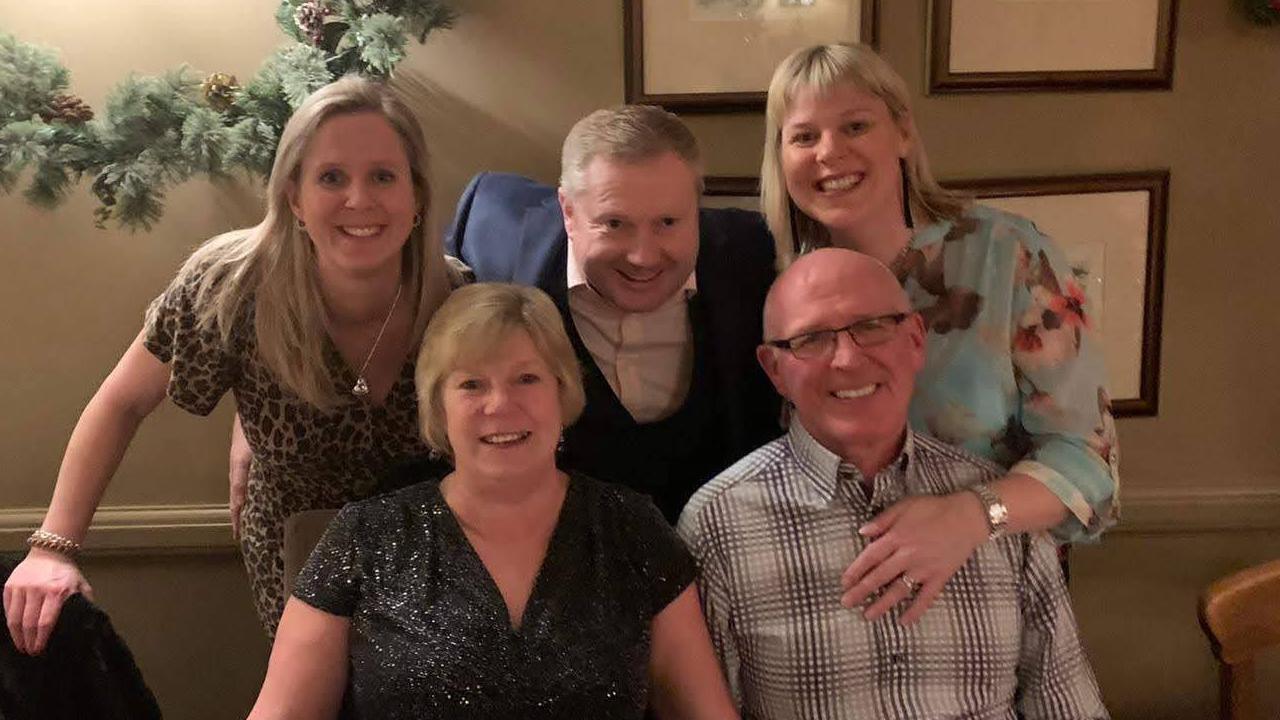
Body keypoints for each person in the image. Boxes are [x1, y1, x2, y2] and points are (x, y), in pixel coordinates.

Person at [3, 75, 455, 648]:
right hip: (296, 559)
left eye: (383, 176)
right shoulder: (232, 288)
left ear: (416, 195)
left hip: (427, 562)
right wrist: (52, 548)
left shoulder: (457, 300)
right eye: (331, 177)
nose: (358, 199)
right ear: (294, 195)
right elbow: (122, 401)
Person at [247, 283, 737, 720]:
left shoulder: (632, 530)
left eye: (527, 379)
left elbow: (703, 710)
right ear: (438, 406)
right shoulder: (365, 537)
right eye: (472, 385)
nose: (500, 405)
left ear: (561, 392)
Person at [759, 43, 1120, 622]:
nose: (830, 153)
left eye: (855, 125)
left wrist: (969, 516)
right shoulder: (773, 281)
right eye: (803, 137)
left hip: (994, 590)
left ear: (902, 132)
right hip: (827, 596)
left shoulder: (1008, 255)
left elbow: (1090, 462)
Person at [679, 249, 1108, 719]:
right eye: (812, 338)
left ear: (916, 341)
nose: (846, 358)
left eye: (871, 326)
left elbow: (1066, 703)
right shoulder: (719, 523)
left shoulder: (997, 507)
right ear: (774, 369)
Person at [446, 104, 780, 522]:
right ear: (568, 212)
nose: (643, 256)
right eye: (615, 224)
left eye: (668, 222)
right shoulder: (497, 235)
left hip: (718, 547)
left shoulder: (752, 255)